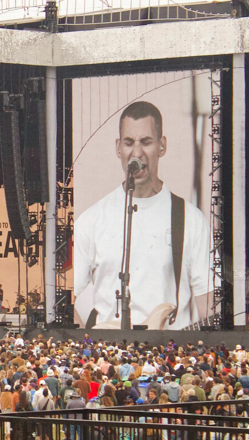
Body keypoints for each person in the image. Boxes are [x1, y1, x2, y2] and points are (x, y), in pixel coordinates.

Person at [74, 101, 212, 329]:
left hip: (166, 355)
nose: (136, 153)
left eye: (146, 142)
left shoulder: (191, 220)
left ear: (162, 146)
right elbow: (67, 303)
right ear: (118, 147)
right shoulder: (91, 220)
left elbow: (208, 306)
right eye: (129, 143)